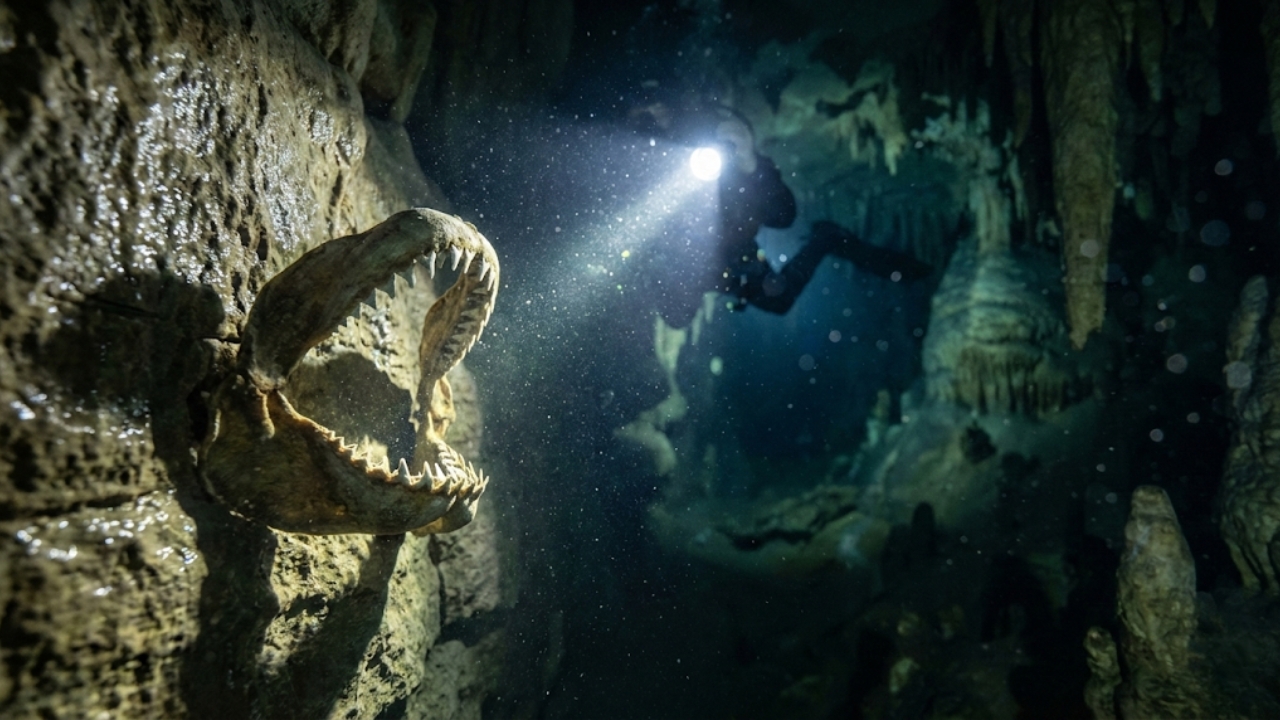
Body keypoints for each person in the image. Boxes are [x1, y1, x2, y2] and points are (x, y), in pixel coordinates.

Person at [644, 104, 932, 326]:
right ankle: (828, 241)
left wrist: (747, 162)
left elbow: (783, 214)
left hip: (731, 193)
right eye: (689, 301)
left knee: (778, 221)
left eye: (681, 296)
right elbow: (777, 224)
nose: (689, 292)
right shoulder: (710, 278)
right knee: (778, 300)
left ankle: (833, 242)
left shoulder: (664, 246)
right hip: (742, 241)